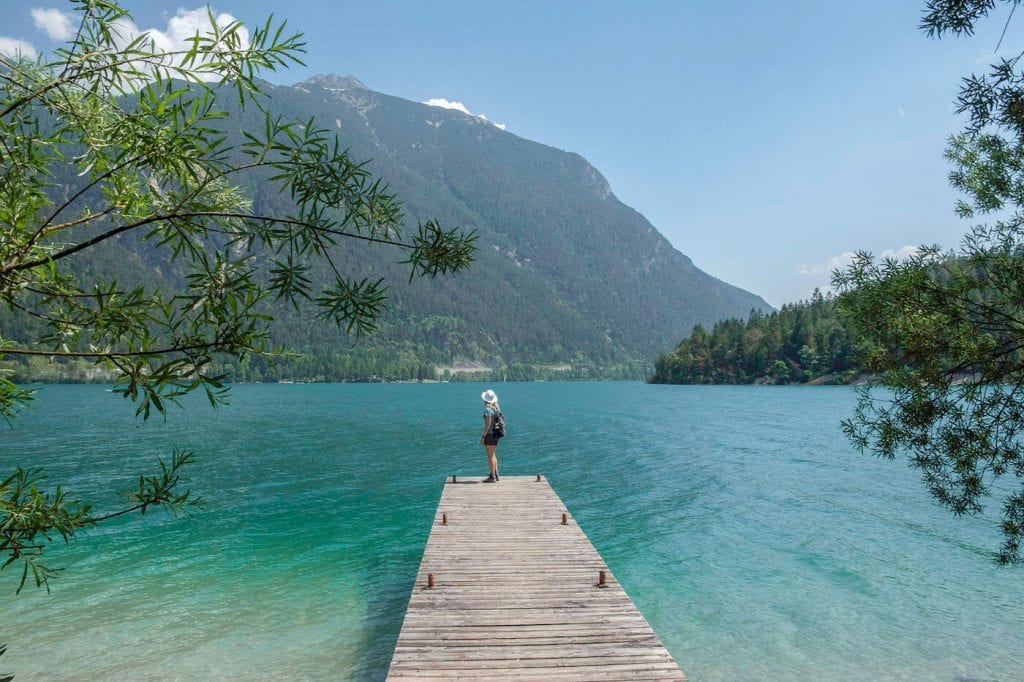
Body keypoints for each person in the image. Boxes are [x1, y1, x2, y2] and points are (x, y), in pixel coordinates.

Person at [480, 389, 502, 482]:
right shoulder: (497, 408)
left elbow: (487, 425)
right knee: (493, 455)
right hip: (496, 434)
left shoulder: (488, 410)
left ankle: (492, 476)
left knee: (490, 456)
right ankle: (496, 474)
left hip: (490, 435)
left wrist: (483, 437)